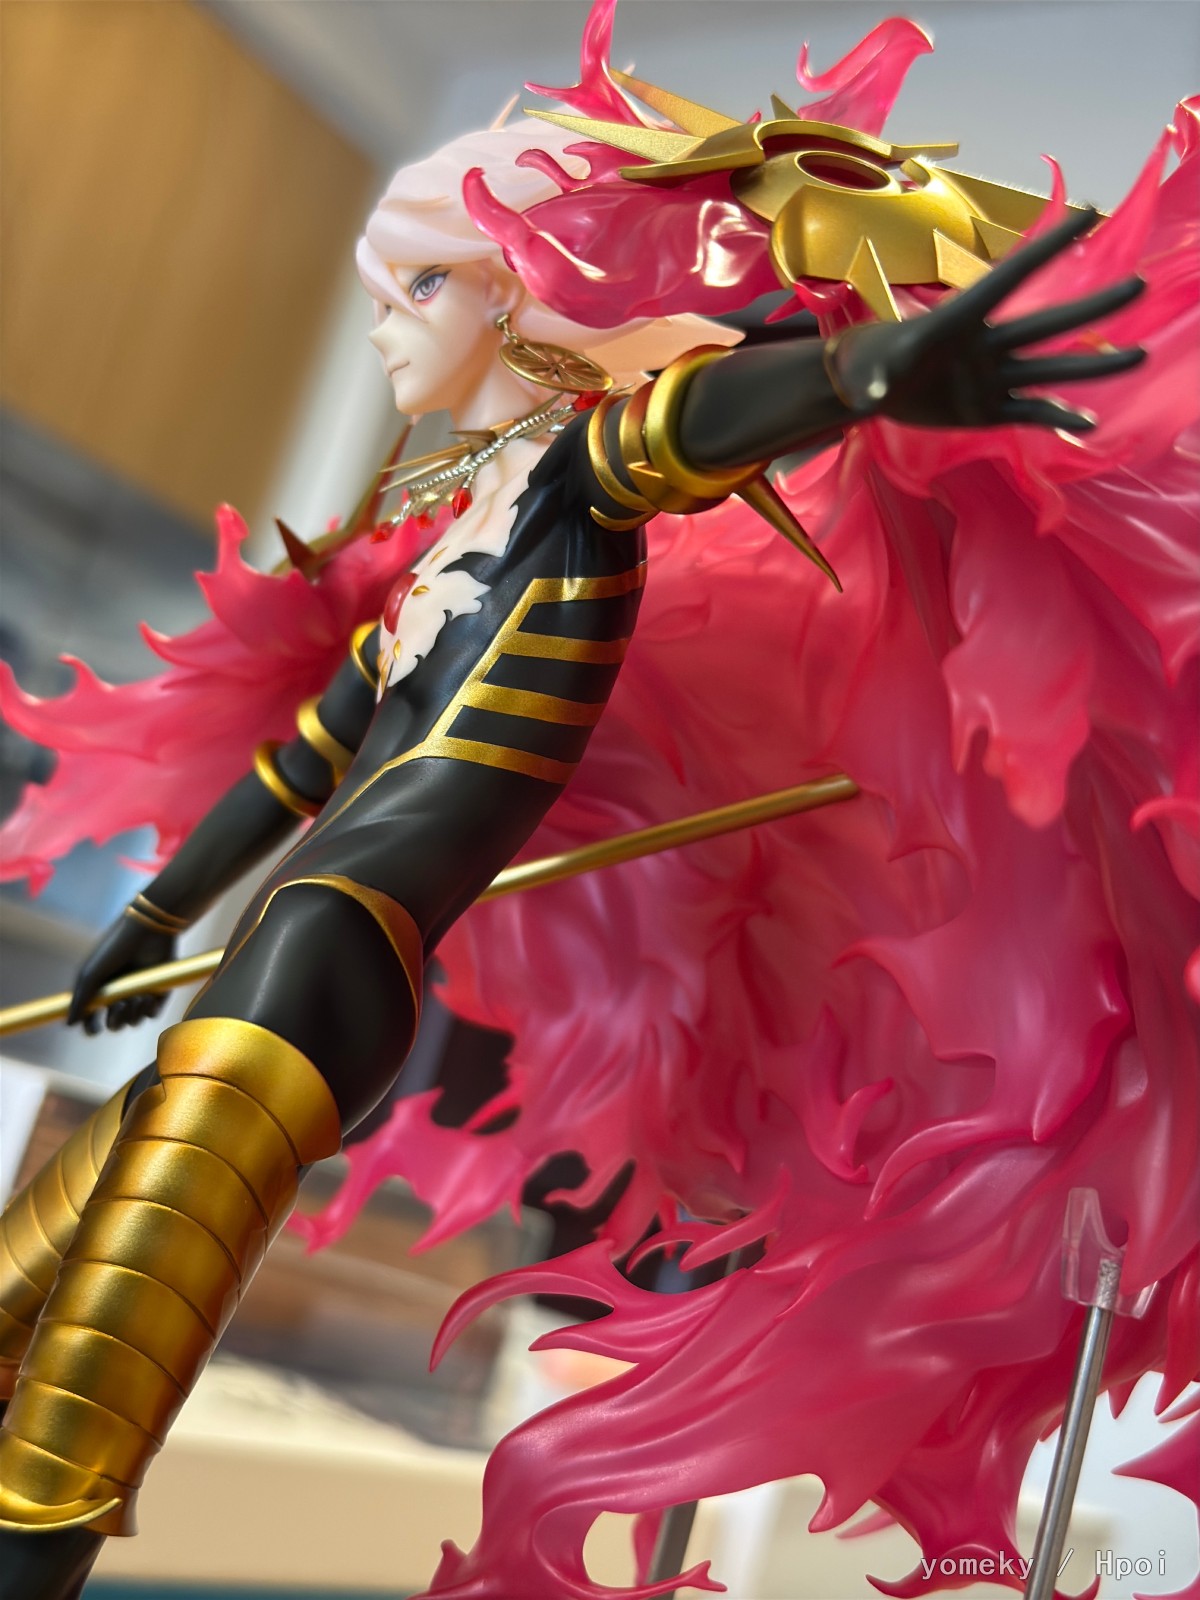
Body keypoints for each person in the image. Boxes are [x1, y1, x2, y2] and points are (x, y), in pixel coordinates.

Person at [0, 9, 1193, 1598]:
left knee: (74, 1422)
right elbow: (300, 769)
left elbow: (679, 429)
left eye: (419, 286)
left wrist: (861, 376)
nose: (384, 323)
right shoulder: (439, 549)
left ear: (509, 293)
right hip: (260, 955)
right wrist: (151, 918)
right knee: (23, 1315)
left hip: (332, 954)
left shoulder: (574, 492)